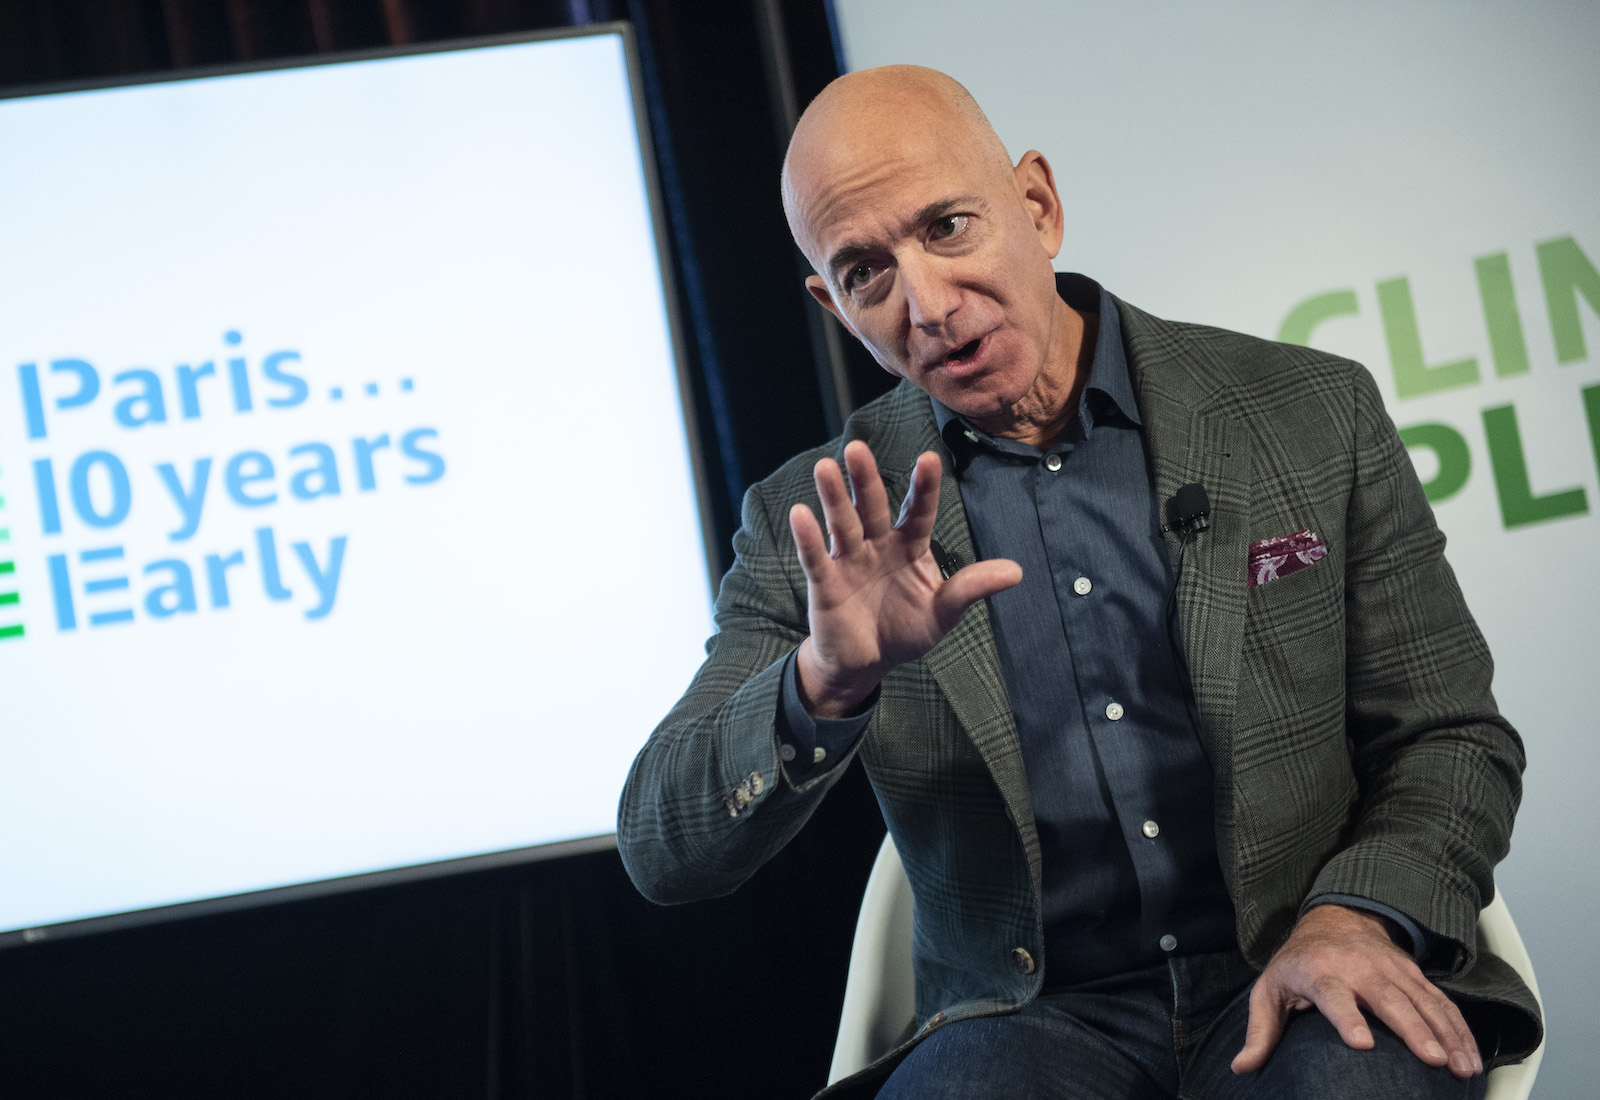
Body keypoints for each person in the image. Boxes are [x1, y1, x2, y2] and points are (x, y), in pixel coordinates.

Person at [617, 65, 1540, 1099]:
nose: (926, 303)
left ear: (1038, 206)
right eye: (867, 272)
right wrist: (822, 682)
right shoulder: (820, 519)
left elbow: (1450, 734)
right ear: (832, 303)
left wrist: (1354, 915)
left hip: (1294, 965)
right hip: (1027, 1026)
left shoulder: (1307, 413)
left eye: (949, 227)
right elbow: (663, 843)